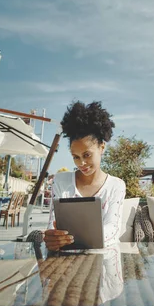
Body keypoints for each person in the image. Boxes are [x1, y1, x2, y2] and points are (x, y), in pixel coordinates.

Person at [44, 101, 126, 251]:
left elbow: (113, 229)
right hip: (66, 263)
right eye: (75, 156)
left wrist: (72, 238)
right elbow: (53, 223)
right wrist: (53, 237)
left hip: (105, 262)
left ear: (102, 147)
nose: (81, 163)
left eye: (87, 155)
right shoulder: (61, 181)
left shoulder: (116, 185)